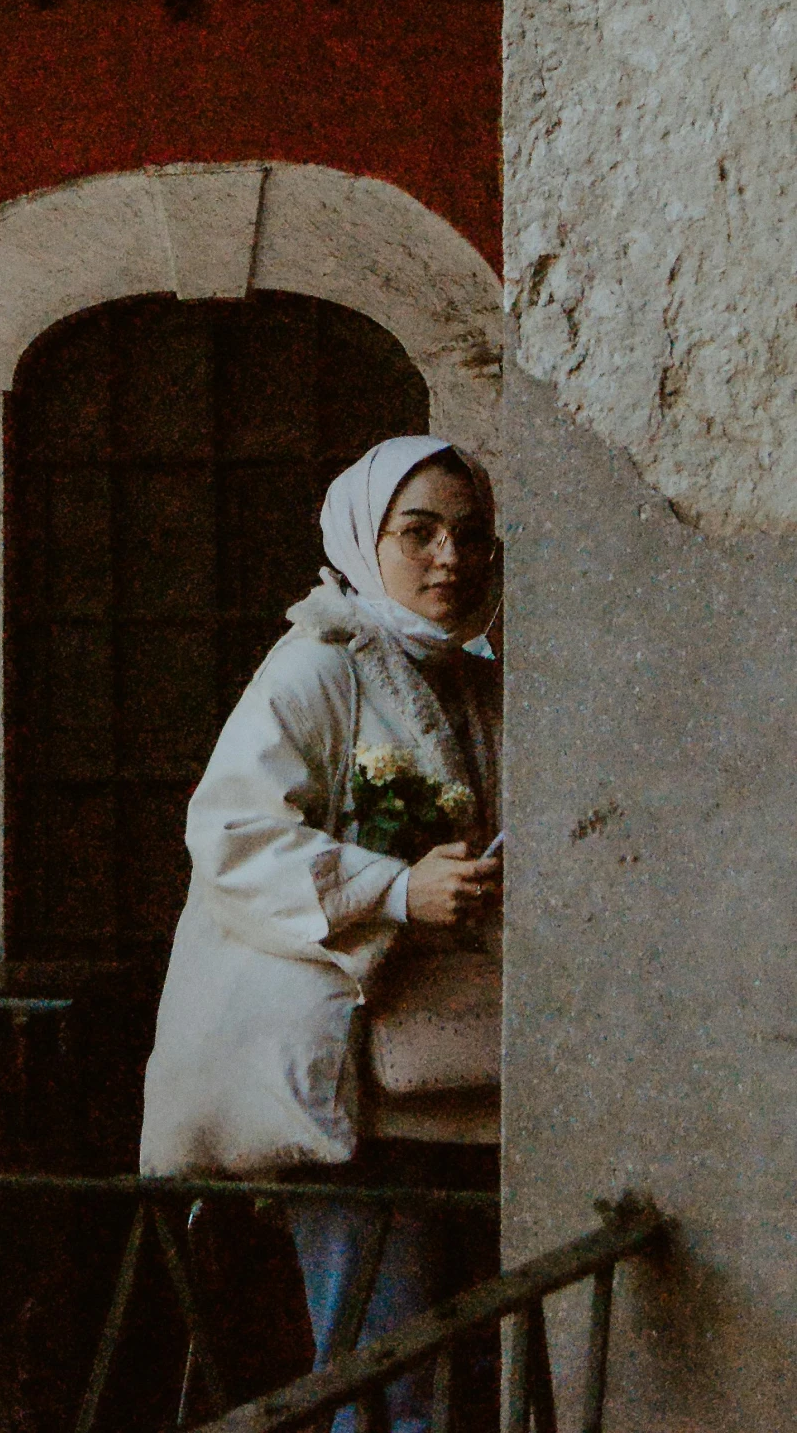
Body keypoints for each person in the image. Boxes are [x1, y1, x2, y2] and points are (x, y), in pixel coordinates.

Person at [140, 434, 502, 1433]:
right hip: (348, 1097)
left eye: (470, 536)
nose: (449, 559)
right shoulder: (316, 666)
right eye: (417, 532)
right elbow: (232, 833)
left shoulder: (466, 679)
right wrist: (395, 890)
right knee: (380, 1383)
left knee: (440, 1371)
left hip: (450, 1080)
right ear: (360, 536)